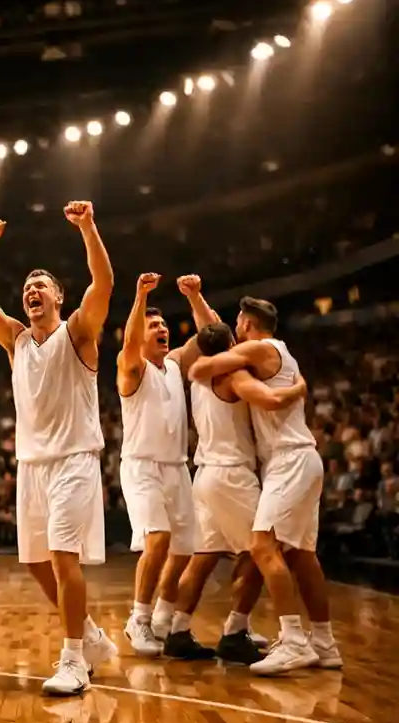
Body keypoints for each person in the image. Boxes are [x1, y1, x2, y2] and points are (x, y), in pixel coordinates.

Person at [0, 202, 119, 696]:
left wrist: (89, 228)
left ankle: (74, 660)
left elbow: (104, 286)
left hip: (74, 459)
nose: (32, 291)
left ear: (58, 296)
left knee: (61, 558)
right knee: (34, 561)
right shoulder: (16, 340)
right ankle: (90, 634)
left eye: (41, 286)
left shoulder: (78, 332)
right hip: (31, 464)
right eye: (27, 287)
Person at [189, 296, 343, 675]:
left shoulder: (260, 349)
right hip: (301, 459)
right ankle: (324, 644)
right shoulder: (272, 351)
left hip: (289, 460)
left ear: (246, 323)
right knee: (302, 557)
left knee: (261, 545)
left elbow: (202, 367)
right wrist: (196, 299)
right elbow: (215, 335)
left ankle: (293, 640)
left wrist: (296, 391)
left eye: (237, 321)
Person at [164, 321, 304, 663]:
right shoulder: (233, 375)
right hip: (232, 476)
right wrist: (298, 388)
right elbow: (269, 399)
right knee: (263, 550)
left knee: (204, 557)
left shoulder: (198, 380)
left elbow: (208, 330)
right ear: (230, 346)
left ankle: (178, 631)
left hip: (206, 475)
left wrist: (196, 298)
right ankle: (236, 630)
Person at [115, 273, 213, 656]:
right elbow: (127, 341)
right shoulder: (131, 367)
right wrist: (140, 296)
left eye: (164, 325)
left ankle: (161, 618)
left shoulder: (173, 364)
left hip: (176, 467)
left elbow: (211, 334)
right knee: (157, 540)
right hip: (141, 467)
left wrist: (195, 296)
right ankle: (137, 620)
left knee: (184, 549)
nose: (161, 329)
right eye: (153, 325)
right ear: (141, 334)